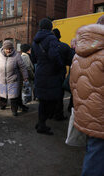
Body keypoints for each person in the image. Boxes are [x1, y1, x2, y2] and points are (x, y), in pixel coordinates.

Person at [70, 15, 104, 176]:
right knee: (97, 155)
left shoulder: (78, 53)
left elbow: (73, 84)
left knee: (94, 149)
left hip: (87, 113)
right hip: (101, 116)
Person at [31, 18, 64, 135]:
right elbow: (54, 56)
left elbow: (33, 58)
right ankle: (42, 124)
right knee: (52, 100)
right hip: (51, 73)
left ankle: (41, 122)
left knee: (43, 101)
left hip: (40, 72)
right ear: (50, 27)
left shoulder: (35, 40)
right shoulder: (51, 38)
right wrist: (61, 67)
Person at [0, 40, 28, 116]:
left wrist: (25, 76)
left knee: (13, 96)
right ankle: (3, 105)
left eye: (10, 49)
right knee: (2, 94)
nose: (9, 50)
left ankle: (14, 110)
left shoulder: (17, 55)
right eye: (7, 49)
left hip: (13, 79)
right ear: (4, 48)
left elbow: (22, 67)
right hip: (2, 78)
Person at [52, 28, 74, 121]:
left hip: (48, 74)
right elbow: (71, 61)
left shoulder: (46, 46)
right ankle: (58, 115)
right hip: (60, 74)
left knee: (50, 94)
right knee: (59, 95)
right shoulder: (64, 46)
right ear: (59, 36)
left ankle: (50, 113)